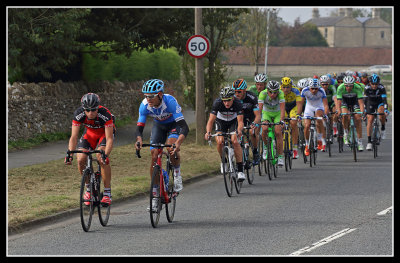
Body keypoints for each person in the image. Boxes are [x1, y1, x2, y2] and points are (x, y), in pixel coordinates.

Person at [134, 79, 189, 211]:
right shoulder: (144, 105)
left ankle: (177, 174)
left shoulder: (170, 102)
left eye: (151, 96)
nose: (148, 99)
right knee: (154, 155)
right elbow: (139, 127)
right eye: (146, 96)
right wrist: (139, 140)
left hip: (174, 125)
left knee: (170, 148)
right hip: (158, 125)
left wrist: (178, 143)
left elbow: (184, 127)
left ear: (159, 94)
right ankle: (155, 197)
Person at [65, 93, 115, 206]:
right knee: (81, 159)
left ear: (98, 107)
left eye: (93, 110)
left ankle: (107, 193)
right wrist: (70, 154)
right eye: (87, 110)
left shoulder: (105, 114)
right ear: (84, 109)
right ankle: (89, 189)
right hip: (90, 134)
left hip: (104, 135)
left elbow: (110, 139)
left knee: (100, 157)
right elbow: (74, 137)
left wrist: (105, 155)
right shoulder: (79, 114)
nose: (90, 113)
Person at [205, 86, 246, 182]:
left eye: (228, 100)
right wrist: (208, 132)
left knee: (235, 141)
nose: (226, 103)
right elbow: (211, 120)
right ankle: (224, 161)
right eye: (224, 101)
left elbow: (240, 122)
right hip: (221, 122)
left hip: (233, 122)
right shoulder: (217, 103)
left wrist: (239, 130)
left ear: (233, 98)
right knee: (219, 141)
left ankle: (240, 170)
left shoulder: (237, 103)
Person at [232, 78, 262, 163]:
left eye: (239, 92)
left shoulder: (252, 97)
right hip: (239, 118)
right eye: (235, 91)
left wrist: (254, 123)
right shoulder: (232, 98)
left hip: (251, 117)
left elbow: (258, 115)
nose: (236, 94)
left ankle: (255, 152)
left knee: (252, 132)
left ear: (245, 90)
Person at [297, 78, 330, 155]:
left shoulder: (322, 91)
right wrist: (298, 114)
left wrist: (325, 114)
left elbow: (325, 105)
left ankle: (319, 140)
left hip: (319, 107)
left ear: (318, 87)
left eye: (316, 89)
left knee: (318, 120)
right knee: (307, 125)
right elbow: (300, 104)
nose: (314, 90)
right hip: (309, 108)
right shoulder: (305, 90)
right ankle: (307, 145)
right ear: (309, 87)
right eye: (312, 88)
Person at [258, 80, 285, 167]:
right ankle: (265, 147)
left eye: (275, 92)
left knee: (278, 132)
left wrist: (281, 121)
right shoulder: (263, 94)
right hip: (266, 113)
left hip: (277, 114)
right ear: (267, 90)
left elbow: (282, 109)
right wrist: (259, 120)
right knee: (264, 128)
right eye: (270, 92)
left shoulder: (281, 94)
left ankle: (280, 156)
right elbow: (259, 109)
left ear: (278, 91)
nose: (272, 94)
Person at [336, 75, 365, 151]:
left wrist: (362, 113)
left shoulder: (358, 87)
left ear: (353, 84)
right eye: (347, 86)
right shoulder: (340, 88)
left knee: (358, 119)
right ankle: (345, 132)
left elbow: (361, 103)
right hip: (344, 102)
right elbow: (338, 102)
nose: (348, 88)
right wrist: (339, 112)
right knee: (345, 115)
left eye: (350, 86)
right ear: (344, 84)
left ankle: (360, 142)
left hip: (355, 102)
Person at [364, 73, 389, 150]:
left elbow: (384, 100)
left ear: (378, 83)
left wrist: (385, 109)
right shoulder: (367, 87)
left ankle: (383, 128)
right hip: (370, 102)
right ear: (370, 83)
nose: (374, 86)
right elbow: (365, 100)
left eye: (376, 84)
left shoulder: (381, 88)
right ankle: (369, 142)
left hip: (379, 102)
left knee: (381, 114)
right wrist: (364, 110)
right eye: (373, 84)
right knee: (370, 120)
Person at [280, 77, 302, 159]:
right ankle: (282, 146)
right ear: (281, 86)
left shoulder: (295, 90)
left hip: (293, 107)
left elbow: (299, 104)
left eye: (288, 87)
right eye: (284, 87)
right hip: (283, 107)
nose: (285, 89)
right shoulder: (278, 91)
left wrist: (298, 115)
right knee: (282, 124)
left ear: (291, 86)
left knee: (293, 123)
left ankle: (295, 148)